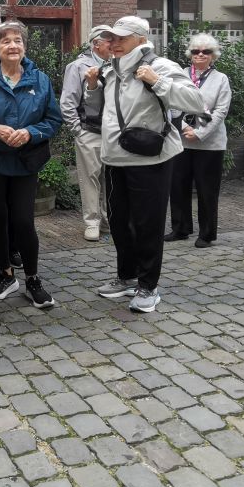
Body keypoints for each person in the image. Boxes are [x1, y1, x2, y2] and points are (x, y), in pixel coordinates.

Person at [94, 16, 205, 313]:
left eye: (120, 38)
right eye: (111, 38)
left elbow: (196, 101)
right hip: (115, 158)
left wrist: (158, 82)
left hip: (150, 159)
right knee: (119, 222)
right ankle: (127, 276)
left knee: (148, 224)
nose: (113, 43)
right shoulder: (111, 70)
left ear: (141, 39)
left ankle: (148, 286)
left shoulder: (161, 66)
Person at [0, 21, 63, 308]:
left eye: (17, 41)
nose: (12, 46)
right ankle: (5, 273)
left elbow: (53, 119)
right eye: (6, 42)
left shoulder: (40, 80)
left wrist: (30, 133)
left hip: (26, 163)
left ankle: (33, 278)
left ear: (24, 46)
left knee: (24, 222)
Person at [166, 33, 232, 249]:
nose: (200, 55)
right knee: (178, 186)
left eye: (206, 51)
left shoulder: (221, 78)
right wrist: (185, 127)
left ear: (213, 55)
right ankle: (180, 228)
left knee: (207, 189)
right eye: (196, 51)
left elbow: (221, 110)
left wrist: (201, 133)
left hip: (210, 143)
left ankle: (207, 233)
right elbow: (172, 104)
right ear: (190, 54)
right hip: (182, 140)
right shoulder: (180, 75)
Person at [61, 25, 113, 242]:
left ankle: (108, 219)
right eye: (109, 40)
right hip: (89, 132)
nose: (114, 44)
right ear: (96, 44)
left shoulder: (118, 64)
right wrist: (78, 131)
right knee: (90, 179)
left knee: (110, 179)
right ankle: (92, 222)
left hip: (113, 134)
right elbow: (67, 102)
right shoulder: (78, 66)